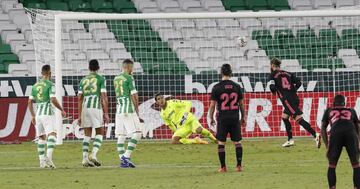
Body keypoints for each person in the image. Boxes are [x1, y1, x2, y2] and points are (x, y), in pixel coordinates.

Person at [269, 58, 321, 147]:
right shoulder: (288, 73)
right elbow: (299, 83)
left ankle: (315, 135)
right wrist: (292, 91)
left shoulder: (273, 75)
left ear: (272, 65)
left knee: (298, 119)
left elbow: (272, 87)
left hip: (287, 100)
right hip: (295, 98)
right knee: (284, 117)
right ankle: (290, 140)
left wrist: (274, 92)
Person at [28, 64, 66, 168]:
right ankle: (48, 157)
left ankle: (42, 162)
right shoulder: (50, 84)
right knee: (52, 134)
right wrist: (61, 109)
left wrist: (32, 115)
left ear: (41, 73)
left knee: (41, 137)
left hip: (38, 114)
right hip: (47, 113)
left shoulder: (35, 86)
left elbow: (30, 101)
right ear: (49, 73)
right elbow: (53, 99)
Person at [209, 64, 245, 172]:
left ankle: (223, 167)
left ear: (221, 72)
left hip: (222, 118)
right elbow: (241, 104)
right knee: (237, 142)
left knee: (221, 143)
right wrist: (243, 117)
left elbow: (212, 105)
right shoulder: (237, 86)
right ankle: (239, 166)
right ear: (231, 73)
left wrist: (210, 117)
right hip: (234, 117)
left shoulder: (216, 87)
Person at [321, 94, 360, 189]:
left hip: (335, 134)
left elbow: (323, 128)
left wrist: (327, 146)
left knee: (332, 165)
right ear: (344, 103)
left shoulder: (328, 110)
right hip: (350, 134)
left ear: (334, 103)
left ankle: (333, 187)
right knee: (356, 164)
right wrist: (358, 141)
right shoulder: (351, 110)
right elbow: (358, 126)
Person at [78, 59, 109, 167]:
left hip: (85, 108)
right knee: (100, 133)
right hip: (96, 108)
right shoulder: (101, 79)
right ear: (98, 68)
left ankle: (84, 159)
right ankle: (93, 154)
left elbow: (79, 98)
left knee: (87, 135)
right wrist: (106, 113)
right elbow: (104, 97)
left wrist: (79, 115)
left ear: (89, 68)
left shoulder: (83, 80)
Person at [114, 59, 143, 168]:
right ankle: (126, 156)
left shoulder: (116, 78)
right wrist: (136, 109)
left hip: (119, 109)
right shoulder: (129, 78)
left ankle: (123, 160)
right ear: (129, 67)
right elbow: (134, 95)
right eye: (132, 68)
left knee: (121, 135)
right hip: (128, 108)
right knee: (138, 133)